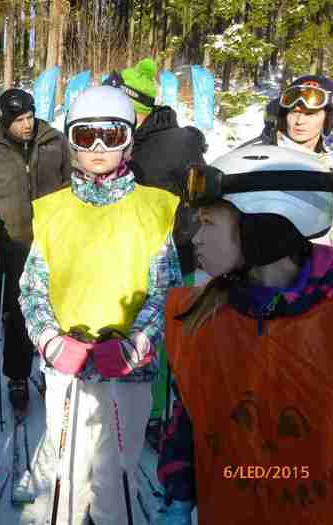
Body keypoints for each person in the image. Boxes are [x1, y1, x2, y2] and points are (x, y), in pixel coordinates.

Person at [157, 145, 333, 524]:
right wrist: (179, 490)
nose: (195, 238)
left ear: (265, 225)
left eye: (209, 223)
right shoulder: (204, 315)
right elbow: (189, 416)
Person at [19, 86, 181, 525]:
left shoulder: (153, 209)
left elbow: (167, 290)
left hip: (127, 370)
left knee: (115, 476)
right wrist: (50, 340)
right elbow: (32, 289)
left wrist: (135, 345)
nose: (96, 147)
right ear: (71, 140)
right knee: (68, 473)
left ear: (128, 140)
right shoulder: (52, 211)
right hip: (68, 367)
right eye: (85, 135)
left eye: (110, 135)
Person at [104, 57, 209, 449]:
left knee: (163, 341)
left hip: (173, 257)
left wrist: (179, 233)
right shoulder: (120, 138)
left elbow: (201, 198)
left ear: (136, 105)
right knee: (128, 330)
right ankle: (127, 400)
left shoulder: (179, 142)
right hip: (125, 257)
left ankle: (157, 414)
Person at [0, 88, 72, 415]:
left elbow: (72, 183)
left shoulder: (55, 141)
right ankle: (17, 375)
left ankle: (57, 366)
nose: (26, 125)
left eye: (29, 117)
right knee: (18, 314)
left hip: (54, 242)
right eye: (18, 120)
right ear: (5, 121)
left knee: (58, 311)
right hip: (14, 246)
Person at [242, 75, 333, 246]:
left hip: (322, 259)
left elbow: (332, 228)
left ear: (328, 118)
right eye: (294, 112)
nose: (300, 121)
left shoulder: (329, 163)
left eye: (310, 114)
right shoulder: (258, 158)